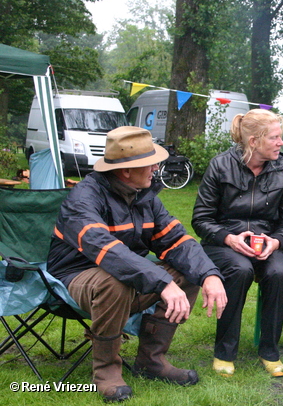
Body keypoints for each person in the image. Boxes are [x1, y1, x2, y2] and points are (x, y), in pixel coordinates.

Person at [47, 126, 227, 402]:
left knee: (188, 270)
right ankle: (106, 372)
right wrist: (162, 282)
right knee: (115, 281)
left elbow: (178, 241)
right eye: (149, 163)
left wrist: (209, 275)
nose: (156, 167)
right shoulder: (83, 198)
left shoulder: (145, 197)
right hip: (74, 277)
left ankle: (151, 360)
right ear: (126, 170)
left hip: (127, 275)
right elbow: (107, 252)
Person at [192, 109, 283, 378]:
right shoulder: (220, 165)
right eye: (274, 138)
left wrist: (275, 242)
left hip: (265, 243)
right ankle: (224, 352)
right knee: (240, 270)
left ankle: (269, 351)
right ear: (254, 141)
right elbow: (201, 219)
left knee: (279, 273)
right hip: (223, 242)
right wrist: (229, 238)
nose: (280, 143)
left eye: (280, 137)